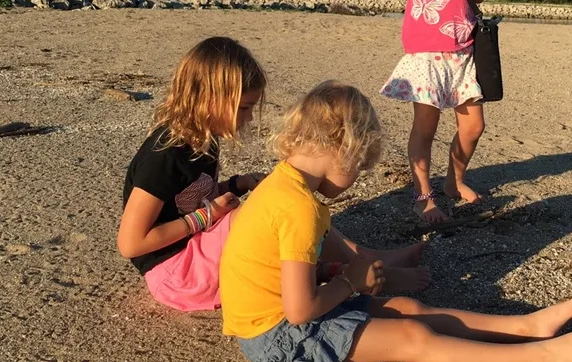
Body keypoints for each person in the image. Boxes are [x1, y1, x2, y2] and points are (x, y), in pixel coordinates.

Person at [220, 82, 572, 362]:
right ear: (342, 149)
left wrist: (368, 276)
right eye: (360, 167)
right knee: (412, 337)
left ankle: (526, 328)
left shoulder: (285, 185)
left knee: (408, 309)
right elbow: (300, 310)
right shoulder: (298, 206)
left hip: (277, 326)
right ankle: (544, 359)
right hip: (282, 341)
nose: (354, 180)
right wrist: (348, 281)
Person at [117, 37, 428, 312]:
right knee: (279, 209)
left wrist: (237, 185)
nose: (250, 117)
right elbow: (132, 243)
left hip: (194, 252)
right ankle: (354, 265)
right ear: (207, 98)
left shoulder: (202, 141)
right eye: (243, 107)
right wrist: (208, 216)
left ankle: (363, 258)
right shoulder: (165, 154)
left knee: (284, 207)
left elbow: (189, 197)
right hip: (175, 274)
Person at [381, 0, 489, 223]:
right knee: (425, 127)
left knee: (473, 126)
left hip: (464, 49)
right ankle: (422, 193)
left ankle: (454, 181)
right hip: (426, 50)